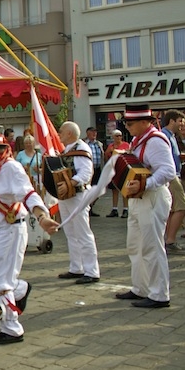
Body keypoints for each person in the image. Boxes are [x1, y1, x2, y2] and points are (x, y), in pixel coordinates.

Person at [0, 125, 59, 344]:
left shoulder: (11, 168)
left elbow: (28, 194)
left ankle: (12, 328)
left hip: (9, 231)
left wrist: (42, 217)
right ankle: (20, 289)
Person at [114, 104, 174, 309]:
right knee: (135, 245)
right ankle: (141, 288)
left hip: (153, 197)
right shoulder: (138, 140)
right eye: (126, 123)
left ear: (144, 122)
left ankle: (159, 294)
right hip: (139, 199)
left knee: (152, 246)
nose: (127, 127)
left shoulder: (155, 141)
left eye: (130, 123)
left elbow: (168, 171)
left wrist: (143, 184)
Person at [54, 122, 100, 284]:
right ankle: (77, 267)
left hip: (78, 195)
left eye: (61, 131)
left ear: (69, 133)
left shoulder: (81, 149)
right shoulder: (67, 150)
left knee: (82, 232)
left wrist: (69, 183)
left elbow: (86, 173)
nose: (59, 134)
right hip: (67, 196)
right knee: (71, 233)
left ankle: (92, 271)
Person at [160, 110, 185, 254]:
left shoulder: (171, 136)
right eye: (179, 121)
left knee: (172, 210)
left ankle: (168, 239)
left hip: (174, 174)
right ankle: (170, 240)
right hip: (172, 176)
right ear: (172, 121)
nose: (181, 125)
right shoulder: (165, 136)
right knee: (182, 207)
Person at [105, 130, 130, 218]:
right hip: (113, 170)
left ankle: (125, 209)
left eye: (120, 135)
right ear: (113, 137)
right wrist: (109, 152)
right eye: (116, 136)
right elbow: (106, 157)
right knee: (114, 190)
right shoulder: (111, 146)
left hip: (123, 170)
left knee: (124, 190)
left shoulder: (126, 145)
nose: (119, 137)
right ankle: (114, 209)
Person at [84, 127, 104, 217]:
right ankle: (87, 208)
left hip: (97, 169)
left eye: (95, 132)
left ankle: (90, 206)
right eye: (92, 132)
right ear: (87, 133)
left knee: (98, 189)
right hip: (88, 170)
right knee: (88, 189)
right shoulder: (84, 144)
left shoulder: (99, 144)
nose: (94, 134)